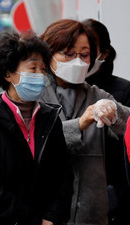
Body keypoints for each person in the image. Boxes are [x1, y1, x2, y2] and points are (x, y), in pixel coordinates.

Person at [0, 32, 73, 225]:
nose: (40, 75)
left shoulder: (50, 117)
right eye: (32, 68)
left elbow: (63, 177)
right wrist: (32, 221)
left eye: (43, 69)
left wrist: (51, 218)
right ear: (8, 74)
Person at [39, 19, 130, 225]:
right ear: (49, 53)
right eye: (69, 54)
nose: (77, 61)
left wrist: (115, 113)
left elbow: (128, 124)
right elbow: (36, 143)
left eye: (84, 54)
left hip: (92, 214)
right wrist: (80, 124)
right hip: (47, 216)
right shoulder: (34, 96)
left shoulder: (96, 94)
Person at [83, 18, 130, 225]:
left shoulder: (123, 90)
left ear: (104, 53)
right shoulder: (66, 92)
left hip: (116, 193)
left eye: (87, 51)